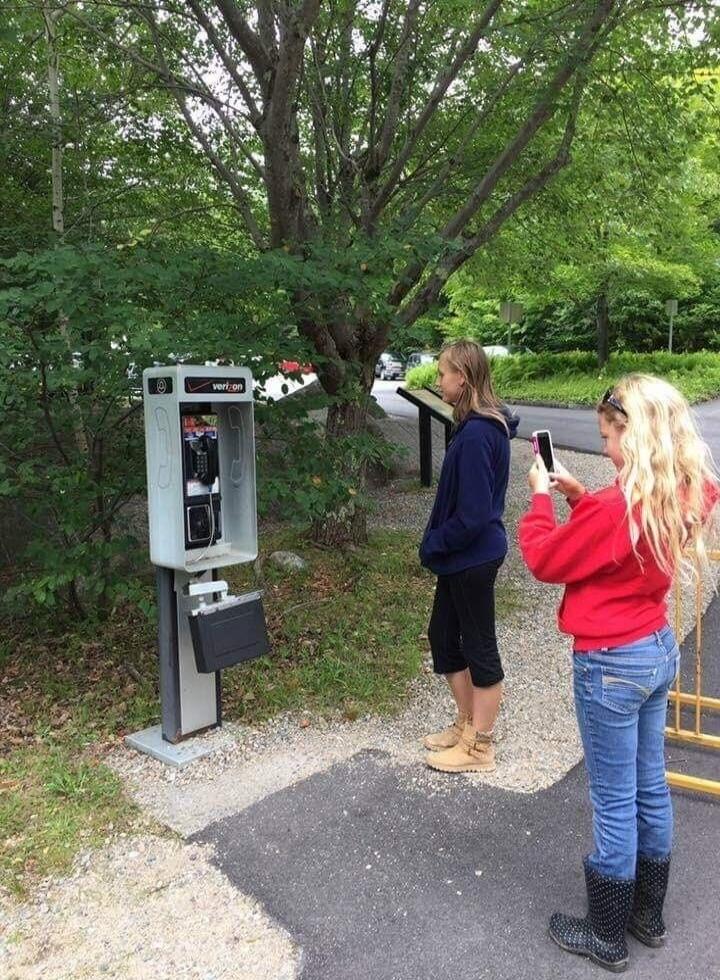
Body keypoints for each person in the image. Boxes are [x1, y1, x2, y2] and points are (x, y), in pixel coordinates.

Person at [518, 374, 718, 972]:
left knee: (612, 800)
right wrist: (582, 497)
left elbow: (544, 559)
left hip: (610, 661)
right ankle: (646, 917)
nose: (604, 447)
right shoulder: (687, 489)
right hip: (657, 647)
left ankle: (606, 934)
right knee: (649, 784)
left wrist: (541, 497)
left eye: (609, 435)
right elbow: (622, 546)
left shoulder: (615, 508)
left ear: (635, 433)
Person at [419, 340, 518, 773]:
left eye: (443, 373)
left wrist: (435, 542)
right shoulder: (472, 426)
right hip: (461, 557)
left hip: (472, 558)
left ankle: (480, 747)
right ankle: (465, 725)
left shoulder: (479, 434)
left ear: (464, 376)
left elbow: (475, 515)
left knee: (479, 648)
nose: (438, 380)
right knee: (443, 637)